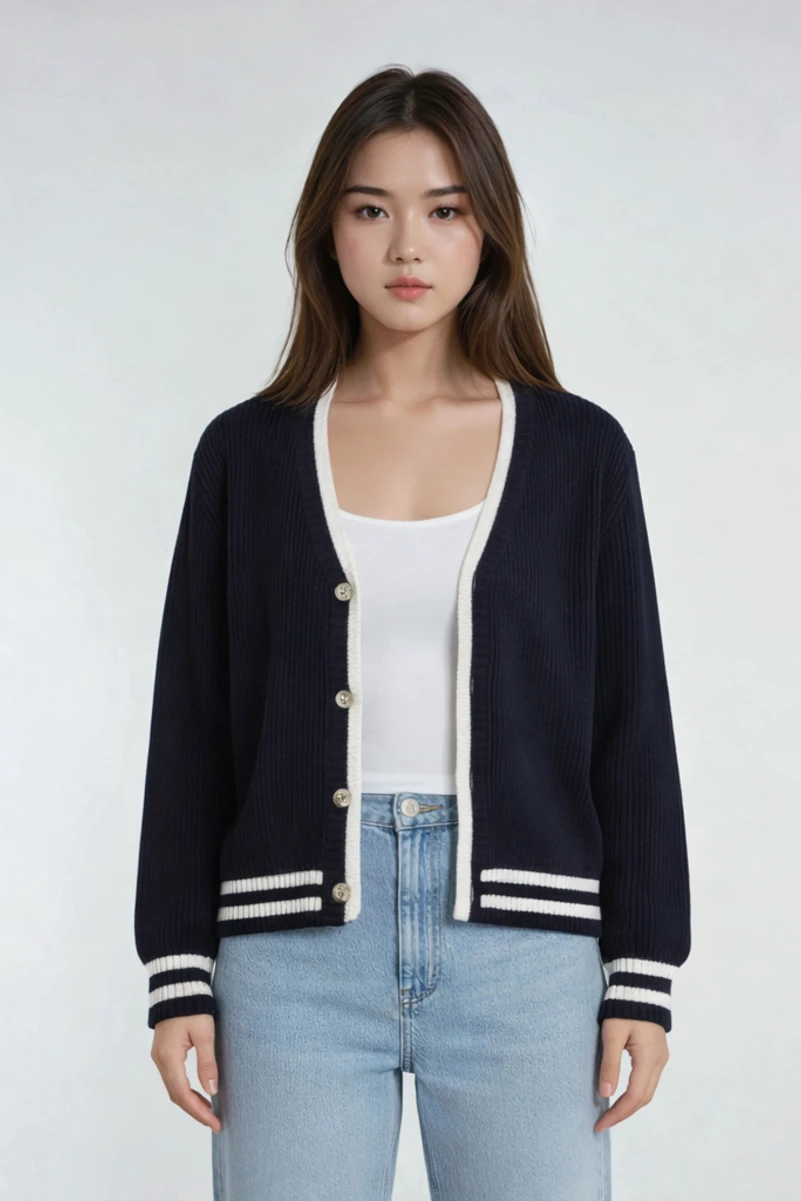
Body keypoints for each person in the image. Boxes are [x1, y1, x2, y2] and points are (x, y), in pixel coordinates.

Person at [134, 65, 691, 1201]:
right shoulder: (246, 453)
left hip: (526, 952)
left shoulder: (581, 453)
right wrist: (177, 965)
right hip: (287, 956)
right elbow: (190, 717)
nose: (407, 246)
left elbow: (631, 716)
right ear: (325, 230)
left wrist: (641, 968)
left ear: (489, 230)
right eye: (370, 208)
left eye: (444, 209)